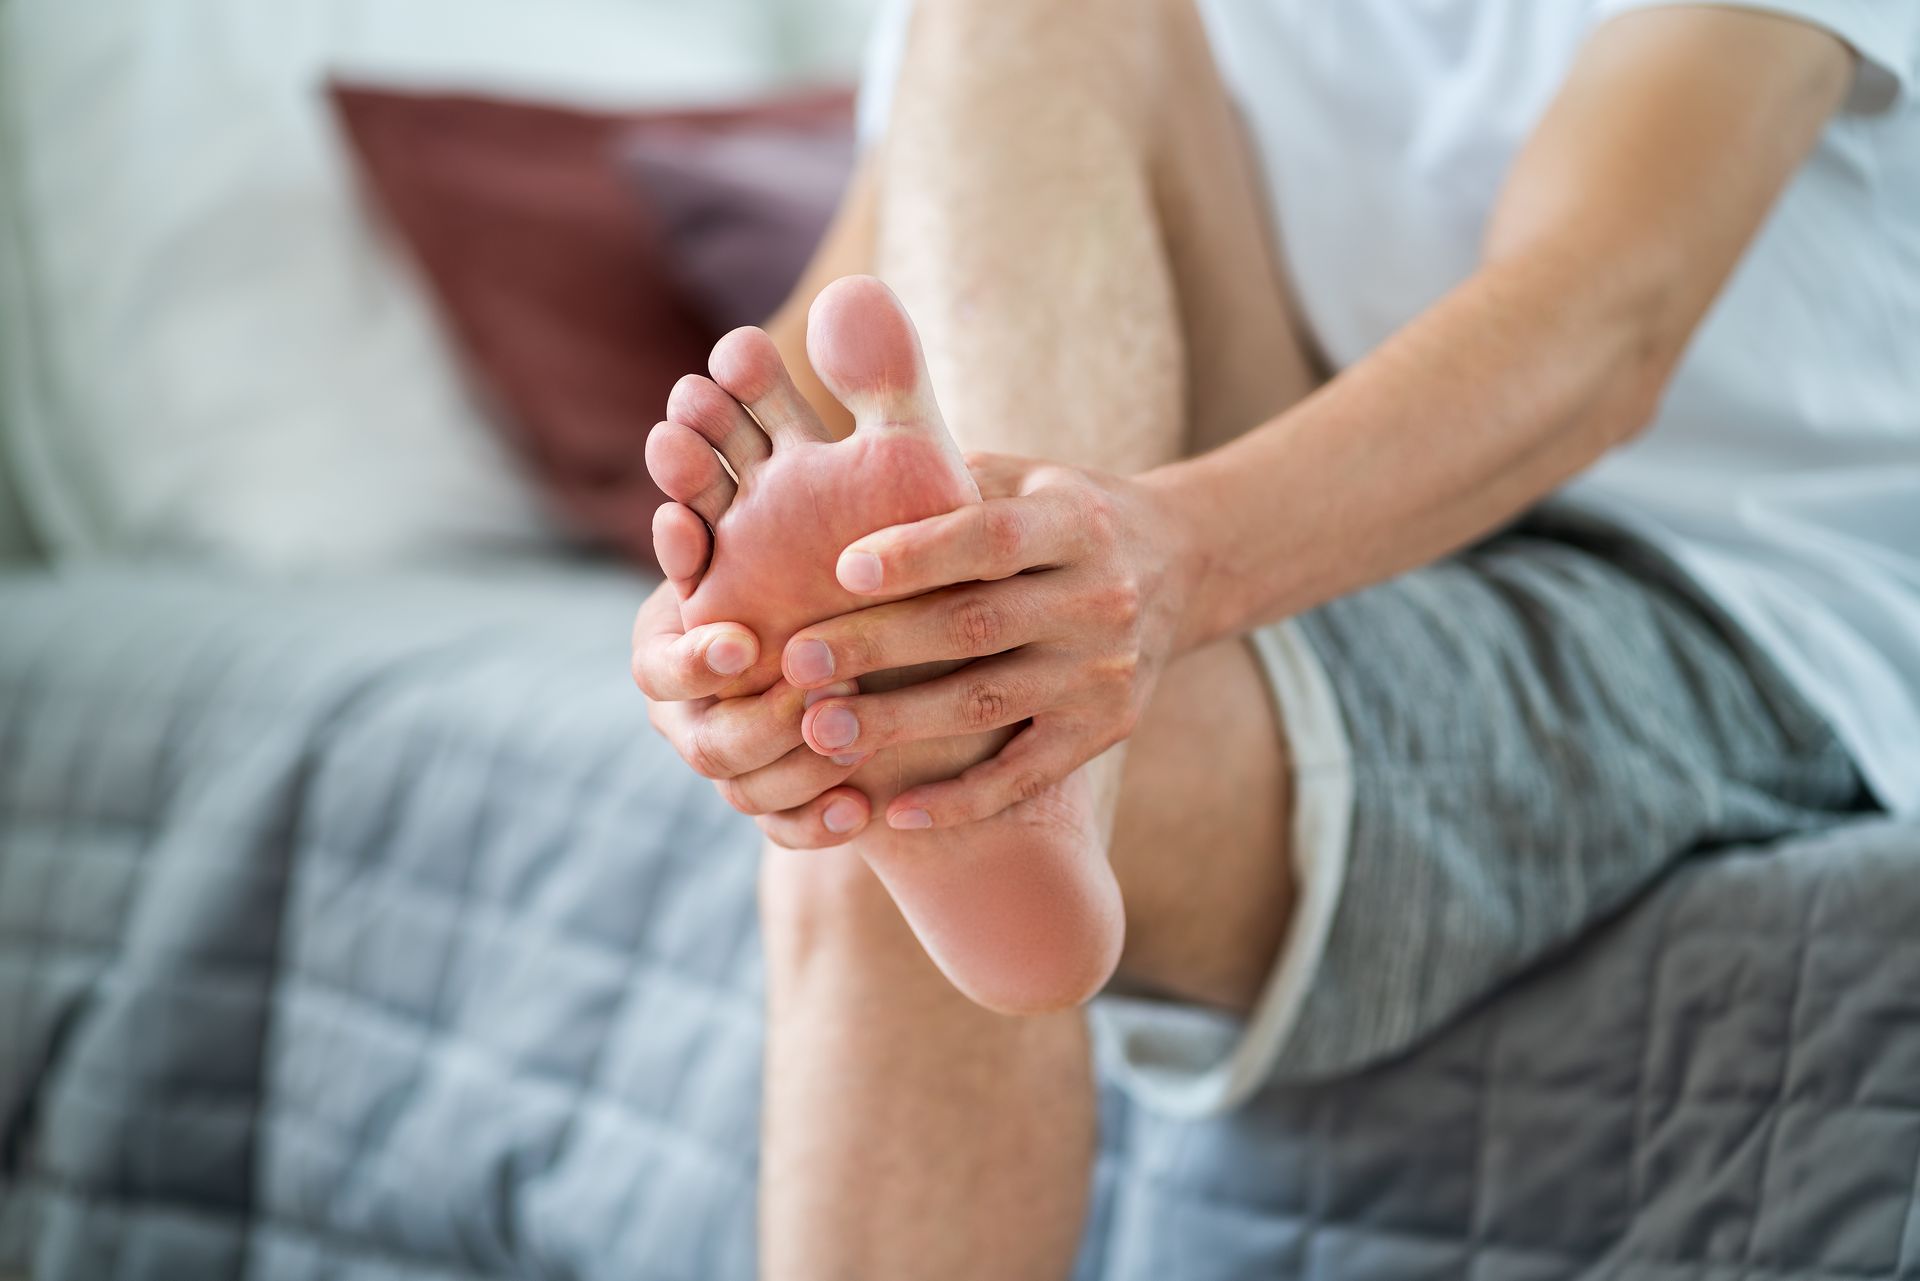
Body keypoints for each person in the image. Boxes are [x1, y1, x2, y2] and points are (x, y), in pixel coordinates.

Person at [630, 0, 1918, 1275]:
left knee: (879, 762)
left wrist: (1168, 554)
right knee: (860, 706)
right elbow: (784, 393)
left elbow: (1606, 323)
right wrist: (700, 642)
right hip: (1291, 488)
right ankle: (981, 696)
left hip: (1702, 583)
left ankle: (984, 702)